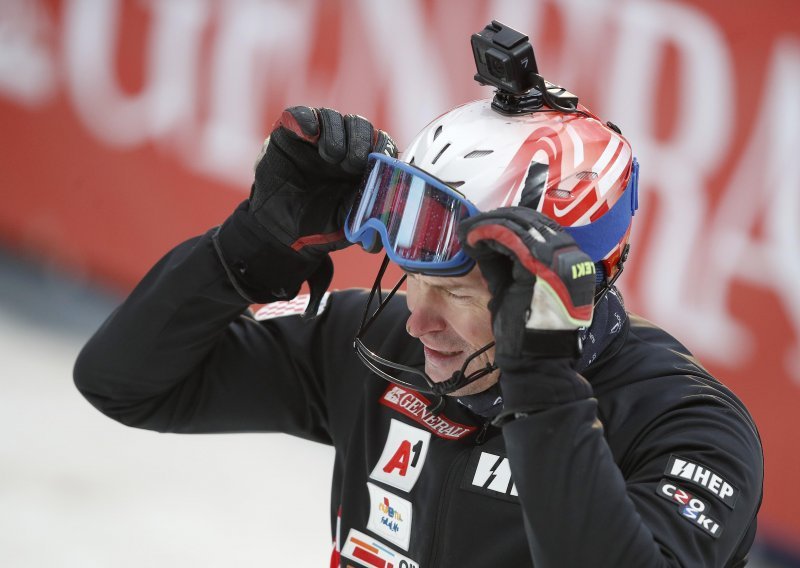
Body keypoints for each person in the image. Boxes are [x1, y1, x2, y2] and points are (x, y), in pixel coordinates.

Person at [74, 94, 763, 566]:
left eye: (459, 289)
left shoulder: (690, 427)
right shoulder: (379, 350)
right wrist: (249, 246)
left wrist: (542, 386)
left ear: (569, 284)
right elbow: (124, 385)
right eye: (411, 277)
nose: (417, 318)